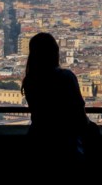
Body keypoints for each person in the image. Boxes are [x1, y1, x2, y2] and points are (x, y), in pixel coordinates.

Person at [21, 32, 92, 164]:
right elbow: (80, 117)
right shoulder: (66, 77)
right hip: (65, 145)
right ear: (55, 53)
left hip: (38, 141)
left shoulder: (30, 80)